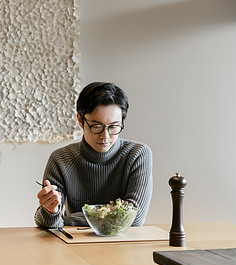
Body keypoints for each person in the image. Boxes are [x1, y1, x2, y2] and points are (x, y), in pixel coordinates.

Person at [34, 82, 152, 228]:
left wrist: (68, 219)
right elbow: (48, 223)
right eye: (97, 126)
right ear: (80, 120)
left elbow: (135, 218)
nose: (105, 136)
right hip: (74, 244)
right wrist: (50, 210)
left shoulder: (137, 154)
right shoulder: (61, 159)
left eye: (114, 127)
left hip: (124, 245)